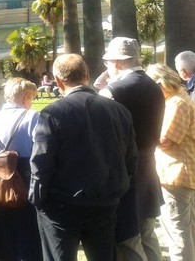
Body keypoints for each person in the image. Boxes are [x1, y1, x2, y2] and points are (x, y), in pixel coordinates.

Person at [30, 54, 138, 261]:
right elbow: (131, 159)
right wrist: (118, 189)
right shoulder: (119, 111)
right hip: (104, 203)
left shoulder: (52, 114)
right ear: (87, 76)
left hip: (62, 206)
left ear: (58, 82)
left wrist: (38, 198)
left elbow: (41, 162)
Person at [99, 37, 165, 261]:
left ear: (117, 63)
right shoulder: (154, 86)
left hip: (126, 173)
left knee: (128, 239)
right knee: (148, 233)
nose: (106, 67)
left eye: (108, 62)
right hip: (148, 168)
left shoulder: (114, 91)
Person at [0, 77, 43, 260]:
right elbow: (39, 147)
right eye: (31, 97)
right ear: (25, 96)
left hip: (0, 173)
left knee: (2, 225)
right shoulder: (32, 116)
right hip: (25, 173)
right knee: (26, 227)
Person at [146, 63, 195, 261]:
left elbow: (165, 141)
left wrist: (141, 134)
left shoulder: (177, 103)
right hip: (179, 172)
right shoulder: (178, 99)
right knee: (185, 229)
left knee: (178, 233)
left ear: (160, 83)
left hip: (176, 175)